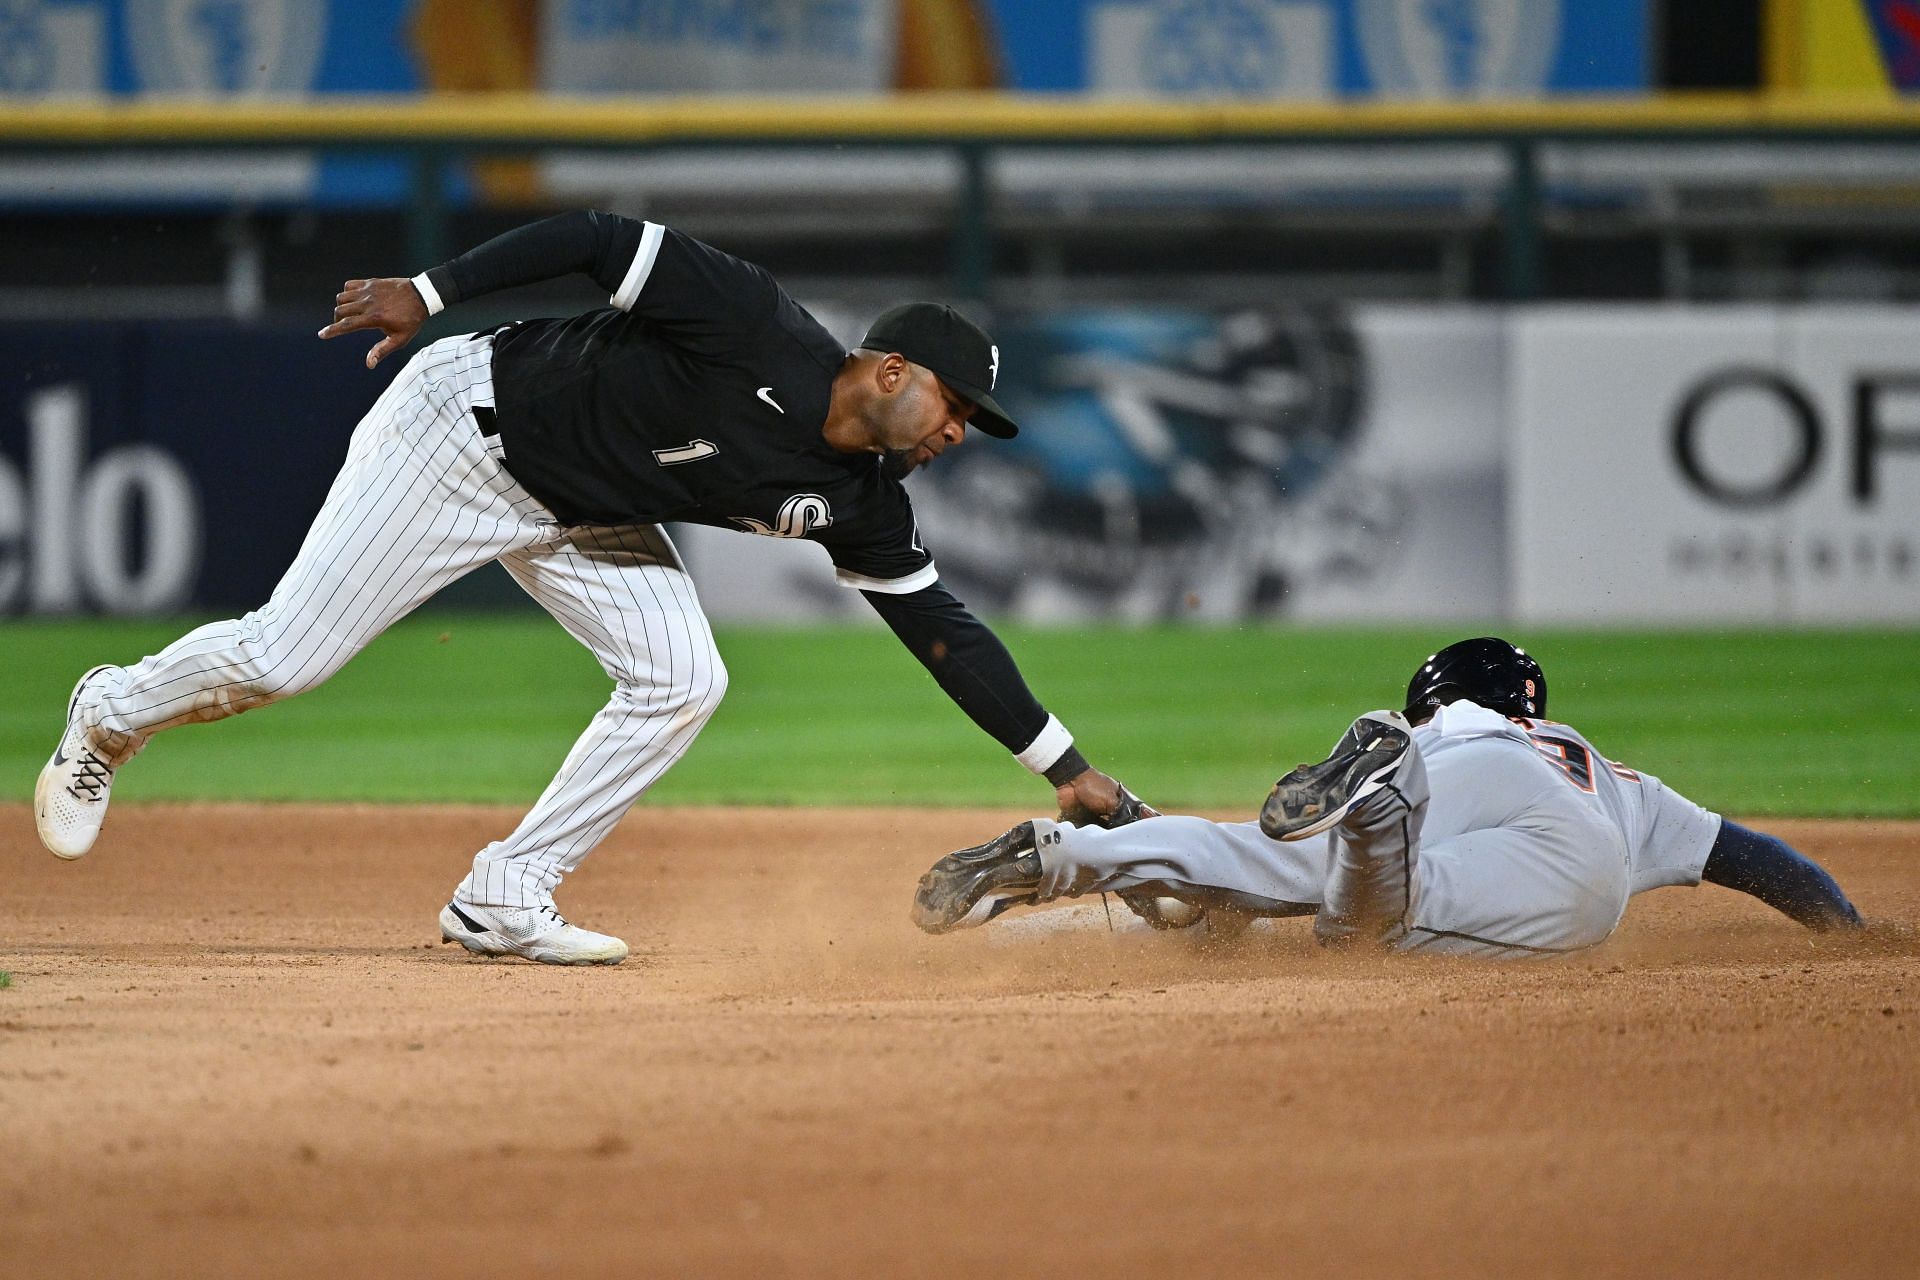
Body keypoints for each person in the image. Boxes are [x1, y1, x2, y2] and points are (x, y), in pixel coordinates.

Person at [34, 210, 1145, 966]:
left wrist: (1071, 771)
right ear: (892, 371)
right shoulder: (749, 320)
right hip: (463, 433)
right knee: (283, 657)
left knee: (683, 676)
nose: (961, 430)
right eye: (958, 405)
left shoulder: (864, 497)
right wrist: (432, 290)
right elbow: (599, 240)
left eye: (976, 425)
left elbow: (941, 631)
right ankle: (108, 713)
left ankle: (503, 893)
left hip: (585, 510)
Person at [912, 637, 1867, 957]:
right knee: (1361, 921)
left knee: (1288, 872)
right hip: (1583, 853)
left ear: (1434, 698)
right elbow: (1760, 861)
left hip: (1439, 772)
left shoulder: (1452, 728)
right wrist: (1848, 934)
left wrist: (1144, 842)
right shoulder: (1610, 771)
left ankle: (1066, 853)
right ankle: (1372, 800)